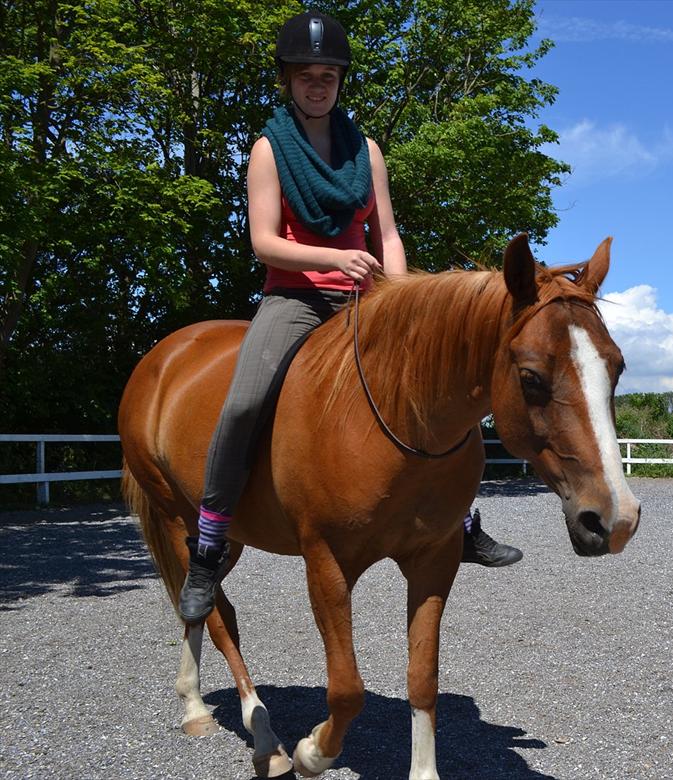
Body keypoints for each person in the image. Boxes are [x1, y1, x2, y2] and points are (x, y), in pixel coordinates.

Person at [179, 12, 519, 623]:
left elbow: (386, 230)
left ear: (340, 81)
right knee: (244, 402)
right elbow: (264, 242)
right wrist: (335, 257)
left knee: (441, 390)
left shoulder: (367, 152)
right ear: (288, 79)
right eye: (307, 75)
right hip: (297, 298)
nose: (318, 84)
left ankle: (462, 522)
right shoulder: (267, 150)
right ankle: (207, 545)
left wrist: (401, 292)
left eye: (328, 74)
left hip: (369, 299)